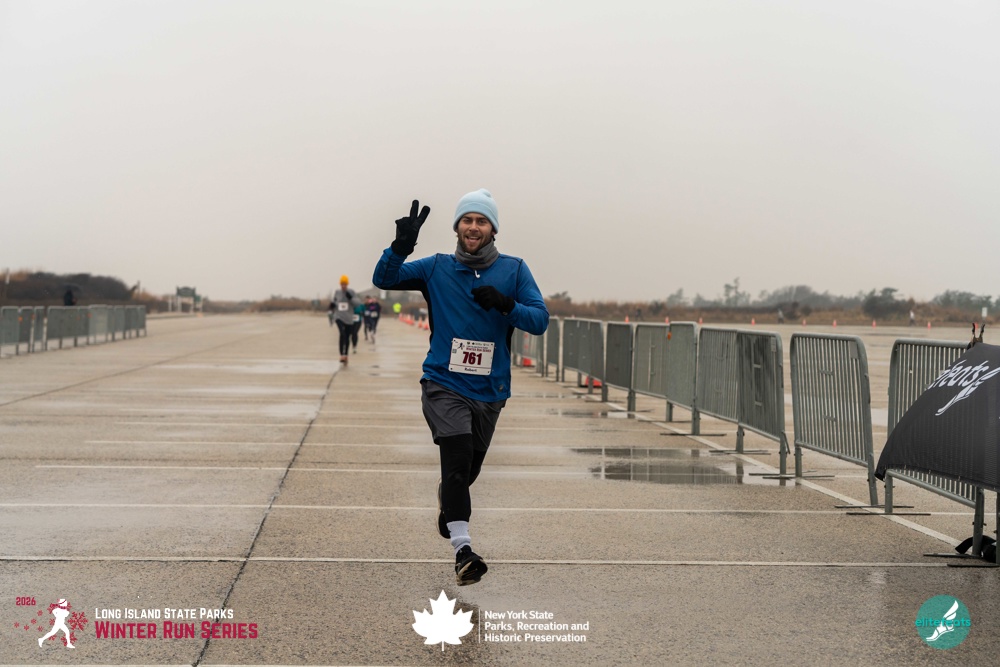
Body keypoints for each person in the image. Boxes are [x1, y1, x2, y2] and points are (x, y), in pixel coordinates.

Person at [373, 189, 548, 586]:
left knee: (467, 472)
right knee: (456, 463)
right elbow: (384, 278)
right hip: (444, 383)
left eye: (481, 221)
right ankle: (463, 552)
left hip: (490, 391)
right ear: (457, 226)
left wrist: (506, 304)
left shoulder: (514, 270)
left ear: (493, 229)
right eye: (467, 220)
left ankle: (449, 504)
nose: (473, 227)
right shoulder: (436, 267)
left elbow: (539, 321)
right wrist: (400, 247)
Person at [331, 275, 361, 365]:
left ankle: (346, 355)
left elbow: (357, 304)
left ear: (347, 284)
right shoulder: (337, 292)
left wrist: (350, 298)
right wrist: (332, 305)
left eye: (345, 284)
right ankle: (341, 355)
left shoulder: (351, 292)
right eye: (342, 284)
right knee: (342, 333)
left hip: (348, 318)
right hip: (339, 316)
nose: (343, 286)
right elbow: (334, 301)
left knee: (347, 336)